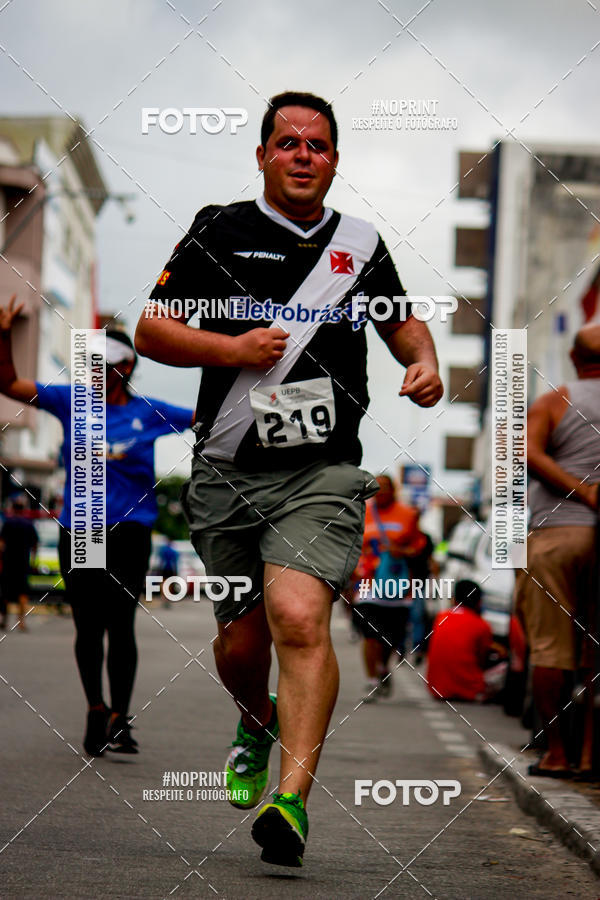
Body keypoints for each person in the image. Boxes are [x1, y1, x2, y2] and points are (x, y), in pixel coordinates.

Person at [135, 90, 443, 867]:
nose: (304, 155)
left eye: (318, 145)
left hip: (322, 471)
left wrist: (424, 361)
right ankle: (255, 716)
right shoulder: (220, 228)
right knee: (240, 645)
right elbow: (151, 329)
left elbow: (402, 320)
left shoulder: (361, 244)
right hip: (228, 470)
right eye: (289, 143)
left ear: (335, 161)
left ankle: (292, 799)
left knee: (300, 617)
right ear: (263, 155)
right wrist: (233, 350)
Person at [0, 297, 194, 756]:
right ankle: (95, 707)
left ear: (126, 367)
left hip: (130, 531)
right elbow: (8, 383)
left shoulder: (149, 411)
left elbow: (210, 418)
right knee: (88, 626)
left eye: (104, 364)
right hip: (82, 528)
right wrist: (4, 335)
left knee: (121, 624)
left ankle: (120, 718)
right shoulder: (71, 400)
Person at [515, 323, 600, 778]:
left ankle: (558, 754)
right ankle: (589, 755)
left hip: (558, 534)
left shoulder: (556, 400)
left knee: (550, 647)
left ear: (573, 357)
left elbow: (526, 453)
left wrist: (584, 493)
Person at [353, 474, 425, 700]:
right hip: (368, 583)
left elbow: (419, 545)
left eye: (386, 487)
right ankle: (372, 681)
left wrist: (402, 551)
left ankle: (383, 667)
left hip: (397, 585)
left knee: (391, 637)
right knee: (370, 634)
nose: (381, 491)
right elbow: (353, 544)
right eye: (377, 487)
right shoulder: (362, 512)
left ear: (394, 490)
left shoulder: (408, 514)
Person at [426, 580, 495, 701]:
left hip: (437, 688)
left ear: (454, 599)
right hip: (470, 690)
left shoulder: (441, 617)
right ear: (479, 602)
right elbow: (482, 657)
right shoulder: (482, 625)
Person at [0, 497, 38, 632]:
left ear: (13, 509)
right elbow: (35, 545)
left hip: (8, 562)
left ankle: (4, 620)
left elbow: (1, 544)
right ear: (23, 510)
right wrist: (33, 561)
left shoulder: (8, 523)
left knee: (5, 592)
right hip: (23, 562)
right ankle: (21, 622)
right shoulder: (29, 524)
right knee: (22, 593)